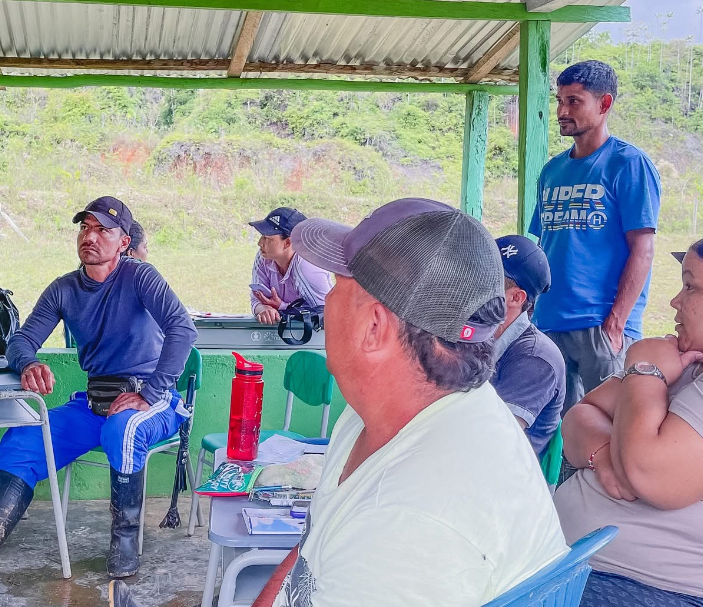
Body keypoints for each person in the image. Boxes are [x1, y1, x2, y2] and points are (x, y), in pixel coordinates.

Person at [131, 198, 568, 607]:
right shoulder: (382, 411)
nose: (327, 298)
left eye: (338, 283)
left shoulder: (408, 527)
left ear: (374, 328)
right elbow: (308, 553)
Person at [0, 196, 197, 586]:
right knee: (24, 439)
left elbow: (183, 329)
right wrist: (28, 364)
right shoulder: (64, 289)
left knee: (123, 430)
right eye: (85, 227)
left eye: (103, 230)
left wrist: (150, 393)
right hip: (96, 402)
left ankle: (124, 548)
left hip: (153, 401)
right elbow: (21, 341)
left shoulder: (140, 277)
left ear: (123, 242)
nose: (90, 236)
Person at [555, 229, 703, 607]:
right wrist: (606, 456)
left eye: (691, 287)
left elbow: (653, 476)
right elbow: (582, 414)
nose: (675, 301)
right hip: (602, 571)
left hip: (665, 589)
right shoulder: (698, 358)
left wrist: (645, 372)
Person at [529, 59, 661, 411]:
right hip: (548, 320)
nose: (562, 111)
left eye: (574, 101)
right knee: (552, 426)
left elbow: (643, 249)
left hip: (600, 323)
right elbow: (544, 245)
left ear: (604, 104)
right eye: (560, 101)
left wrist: (616, 323)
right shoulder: (552, 171)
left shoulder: (628, 164)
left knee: (604, 425)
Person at [492, 235, 566, 459]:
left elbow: (493, 441)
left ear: (516, 298)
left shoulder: (536, 358)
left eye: (484, 281)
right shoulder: (477, 338)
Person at [248, 207, 332, 325]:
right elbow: (256, 299)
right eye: (262, 236)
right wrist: (264, 309)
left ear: (288, 242)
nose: (260, 243)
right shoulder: (264, 257)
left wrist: (283, 307)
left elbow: (326, 313)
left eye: (267, 238)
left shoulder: (307, 266)